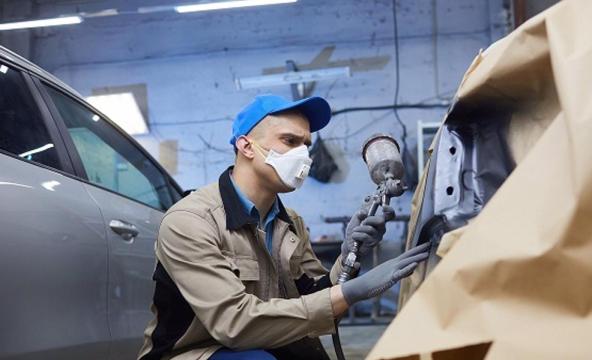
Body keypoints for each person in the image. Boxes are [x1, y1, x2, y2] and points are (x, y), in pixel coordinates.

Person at [137, 94, 430, 360]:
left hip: (260, 342)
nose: (303, 155)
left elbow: (315, 297)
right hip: (194, 352)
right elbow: (235, 324)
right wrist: (353, 292)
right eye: (290, 141)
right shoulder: (191, 220)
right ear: (246, 146)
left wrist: (349, 256)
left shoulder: (289, 222)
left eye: (306, 145)